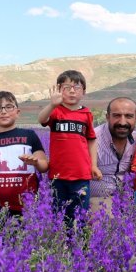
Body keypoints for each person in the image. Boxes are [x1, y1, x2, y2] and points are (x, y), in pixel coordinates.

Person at [37, 70, 102, 224]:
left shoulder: (86, 114)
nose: (72, 91)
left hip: (81, 175)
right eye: (67, 87)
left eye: (77, 87)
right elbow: (41, 119)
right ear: (59, 90)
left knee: (80, 213)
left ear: (84, 92)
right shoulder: (55, 112)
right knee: (59, 213)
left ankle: (81, 243)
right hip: (58, 176)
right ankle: (63, 244)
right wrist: (52, 104)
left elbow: (91, 140)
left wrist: (94, 165)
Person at [90, 96, 136, 213]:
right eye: (117, 115)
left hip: (128, 199)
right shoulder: (92, 138)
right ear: (107, 117)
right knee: (107, 225)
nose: (122, 122)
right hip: (99, 201)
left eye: (128, 116)